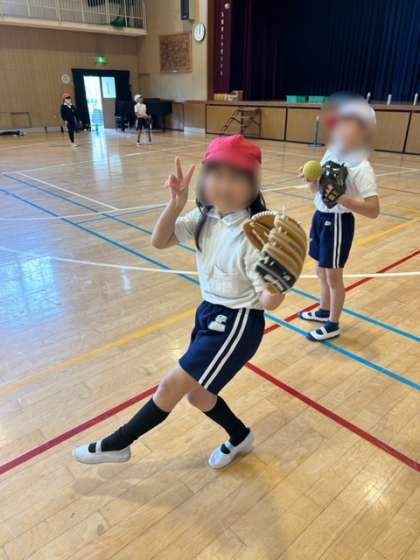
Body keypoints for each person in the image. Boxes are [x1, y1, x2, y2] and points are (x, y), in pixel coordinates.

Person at [73, 135, 285, 469]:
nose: (224, 185)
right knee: (199, 396)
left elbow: (268, 301)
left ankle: (118, 444)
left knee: (171, 386)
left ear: (253, 185)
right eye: (216, 174)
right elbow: (160, 241)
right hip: (209, 313)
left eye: (236, 177)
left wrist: (280, 278)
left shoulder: (254, 233)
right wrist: (175, 203)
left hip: (238, 323)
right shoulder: (205, 217)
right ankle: (240, 436)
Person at [299, 98, 380, 341]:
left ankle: (333, 324)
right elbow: (317, 190)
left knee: (333, 276)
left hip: (338, 224)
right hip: (320, 216)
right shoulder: (331, 152)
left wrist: (342, 199)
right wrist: (311, 181)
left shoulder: (361, 167)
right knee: (320, 270)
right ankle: (324, 310)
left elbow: (374, 210)